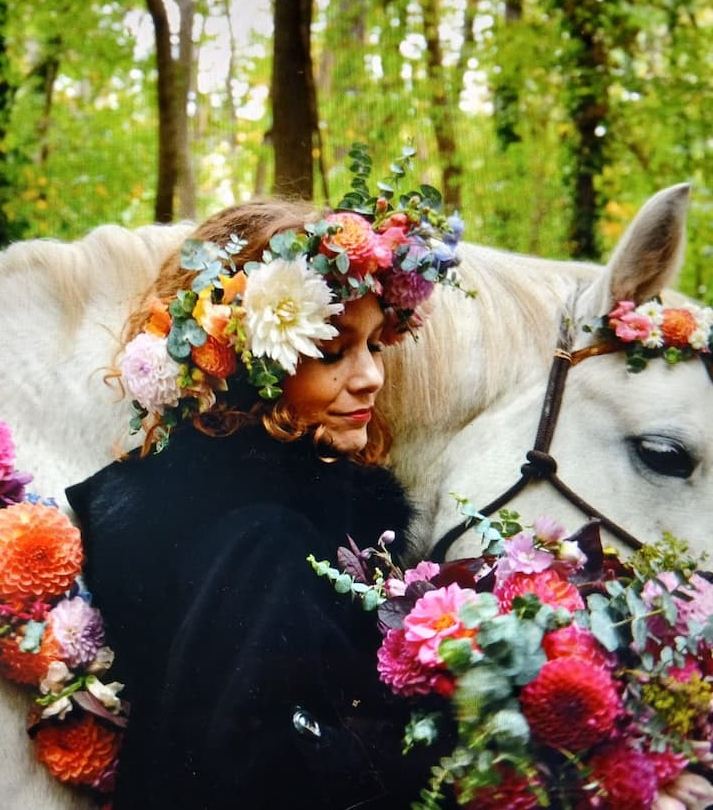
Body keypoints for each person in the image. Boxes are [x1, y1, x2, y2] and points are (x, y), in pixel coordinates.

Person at [66, 188, 464, 808]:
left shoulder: (316, 511)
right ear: (252, 370)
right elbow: (262, 771)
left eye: (375, 345)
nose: (370, 377)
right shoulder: (263, 543)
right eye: (332, 351)